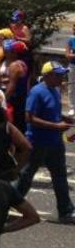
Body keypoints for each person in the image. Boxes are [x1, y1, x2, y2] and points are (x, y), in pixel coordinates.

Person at [15, 61, 75, 223]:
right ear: (48, 75)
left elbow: (51, 112)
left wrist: (63, 119)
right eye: (58, 74)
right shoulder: (37, 92)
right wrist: (56, 125)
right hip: (37, 142)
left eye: (63, 74)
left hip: (55, 142)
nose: (62, 77)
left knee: (59, 176)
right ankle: (8, 202)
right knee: (26, 176)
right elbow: (30, 118)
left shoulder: (54, 90)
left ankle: (66, 210)